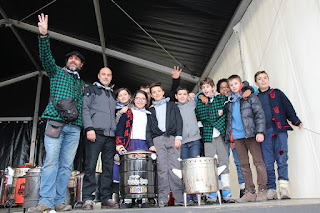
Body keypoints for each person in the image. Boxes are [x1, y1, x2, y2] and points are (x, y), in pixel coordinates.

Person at [28, 14, 86, 212]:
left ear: (81, 65)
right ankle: (45, 202)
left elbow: (83, 106)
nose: (73, 60)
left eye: (77, 59)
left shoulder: (81, 84)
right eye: (71, 58)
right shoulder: (56, 73)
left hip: (74, 127)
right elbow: (45, 58)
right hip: (54, 122)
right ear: (67, 61)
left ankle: (60, 202)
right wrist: (43, 36)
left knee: (66, 166)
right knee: (51, 163)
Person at [254, 71, 302, 200]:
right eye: (260, 79)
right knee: (267, 161)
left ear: (268, 80)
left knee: (282, 158)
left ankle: (284, 188)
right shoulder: (255, 97)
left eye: (265, 78)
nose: (263, 81)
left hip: (279, 130)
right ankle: (271, 189)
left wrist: (295, 120)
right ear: (256, 83)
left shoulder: (277, 93)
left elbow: (288, 108)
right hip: (264, 133)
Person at [225, 75, 267, 202]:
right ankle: (250, 191)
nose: (233, 87)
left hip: (251, 134)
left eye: (235, 83)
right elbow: (229, 121)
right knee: (243, 165)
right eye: (231, 85)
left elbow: (259, 114)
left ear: (240, 83)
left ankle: (262, 190)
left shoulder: (250, 96)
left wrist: (260, 131)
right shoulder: (229, 101)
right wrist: (231, 138)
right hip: (237, 138)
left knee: (258, 162)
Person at [81, 67, 119, 209]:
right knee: (90, 166)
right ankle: (88, 198)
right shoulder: (91, 89)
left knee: (108, 168)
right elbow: (85, 108)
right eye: (103, 74)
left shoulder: (112, 94)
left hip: (110, 136)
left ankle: (106, 197)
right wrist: (89, 128)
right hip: (95, 133)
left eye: (109, 75)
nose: (106, 76)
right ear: (98, 76)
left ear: (111, 77)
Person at [195, 77, 234, 204]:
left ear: (213, 87)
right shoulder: (200, 102)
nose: (206, 89)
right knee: (210, 164)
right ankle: (212, 193)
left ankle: (227, 192)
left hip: (221, 134)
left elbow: (217, 115)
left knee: (224, 162)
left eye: (208, 87)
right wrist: (199, 96)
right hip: (207, 136)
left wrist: (212, 116)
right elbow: (201, 116)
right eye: (203, 88)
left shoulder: (221, 98)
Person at [146, 82, 184, 207]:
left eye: (159, 91)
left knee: (175, 168)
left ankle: (179, 198)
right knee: (162, 169)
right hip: (158, 140)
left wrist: (178, 137)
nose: (157, 93)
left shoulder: (172, 105)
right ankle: (163, 198)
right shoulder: (150, 110)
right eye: (154, 92)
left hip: (172, 138)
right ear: (151, 95)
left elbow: (179, 120)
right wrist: (151, 144)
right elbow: (148, 129)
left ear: (163, 93)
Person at [216, 78, 245, 198]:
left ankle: (244, 188)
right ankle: (221, 190)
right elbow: (198, 95)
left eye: (227, 86)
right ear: (218, 90)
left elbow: (251, 88)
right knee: (222, 164)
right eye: (222, 87)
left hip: (236, 136)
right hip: (223, 138)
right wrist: (199, 94)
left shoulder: (236, 98)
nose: (226, 89)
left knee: (240, 163)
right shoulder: (217, 101)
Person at [175, 87, 201, 204]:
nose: (182, 96)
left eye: (184, 94)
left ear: (188, 95)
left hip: (195, 139)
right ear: (176, 96)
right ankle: (187, 193)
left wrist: (198, 95)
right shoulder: (174, 108)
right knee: (184, 168)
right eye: (180, 94)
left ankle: (195, 193)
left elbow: (202, 96)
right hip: (183, 142)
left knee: (194, 167)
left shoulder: (193, 104)